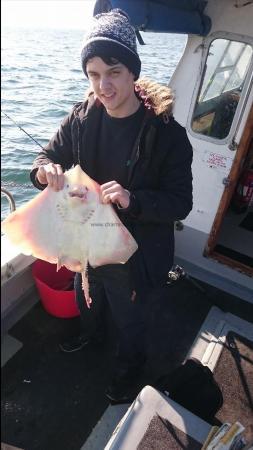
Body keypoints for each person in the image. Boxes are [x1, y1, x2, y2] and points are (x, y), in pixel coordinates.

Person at [30, 9, 193, 402]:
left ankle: (128, 371)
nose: (103, 85)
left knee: (131, 318)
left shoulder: (168, 137)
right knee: (87, 297)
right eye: (93, 74)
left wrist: (133, 200)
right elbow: (41, 162)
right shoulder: (82, 117)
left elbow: (180, 203)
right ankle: (90, 335)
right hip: (87, 245)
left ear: (133, 73)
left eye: (114, 71)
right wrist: (46, 171)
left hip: (133, 255)